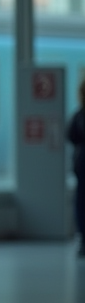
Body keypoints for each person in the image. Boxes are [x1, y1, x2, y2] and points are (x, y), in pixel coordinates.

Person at [69, 80, 85, 258]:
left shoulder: (79, 115)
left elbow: (70, 135)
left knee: (81, 202)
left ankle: (82, 237)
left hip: (82, 163)